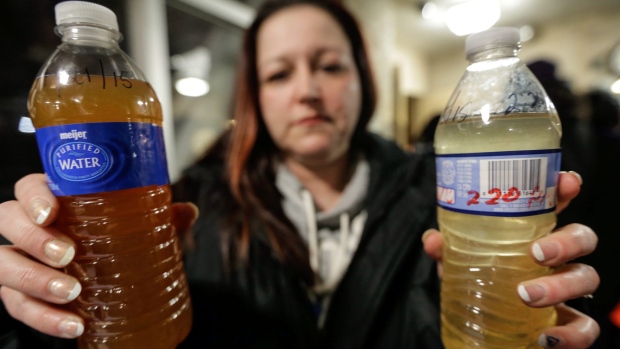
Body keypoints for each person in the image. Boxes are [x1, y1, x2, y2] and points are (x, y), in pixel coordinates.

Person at [0, 0, 601, 348]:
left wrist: (545, 313)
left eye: (330, 66)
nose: (309, 91)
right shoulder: (188, 208)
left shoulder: (451, 191)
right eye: (280, 73)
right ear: (254, 96)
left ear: (363, 82)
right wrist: (47, 293)